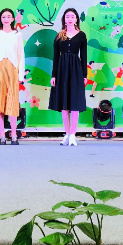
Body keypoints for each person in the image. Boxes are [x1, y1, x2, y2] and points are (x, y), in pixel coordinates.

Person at [0, 8, 25, 145]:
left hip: (12, 70)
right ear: (0, 19)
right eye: (4, 17)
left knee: (12, 103)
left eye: (9, 16)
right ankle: (2, 136)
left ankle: (14, 135)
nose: (6, 19)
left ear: (13, 19)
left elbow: (21, 55)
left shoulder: (17, 34)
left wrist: (21, 75)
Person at [49, 8, 87, 146]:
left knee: (75, 103)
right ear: (64, 19)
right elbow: (55, 57)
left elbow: (84, 56)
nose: (70, 19)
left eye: (72, 16)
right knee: (64, 104)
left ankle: (73, 135)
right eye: (67, 16)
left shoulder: (81, 35)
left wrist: (84, 75)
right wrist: (54, 75)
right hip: (62, 70)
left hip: (76, 70)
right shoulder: (59, 36)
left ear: (76, 19)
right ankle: (67, 133)